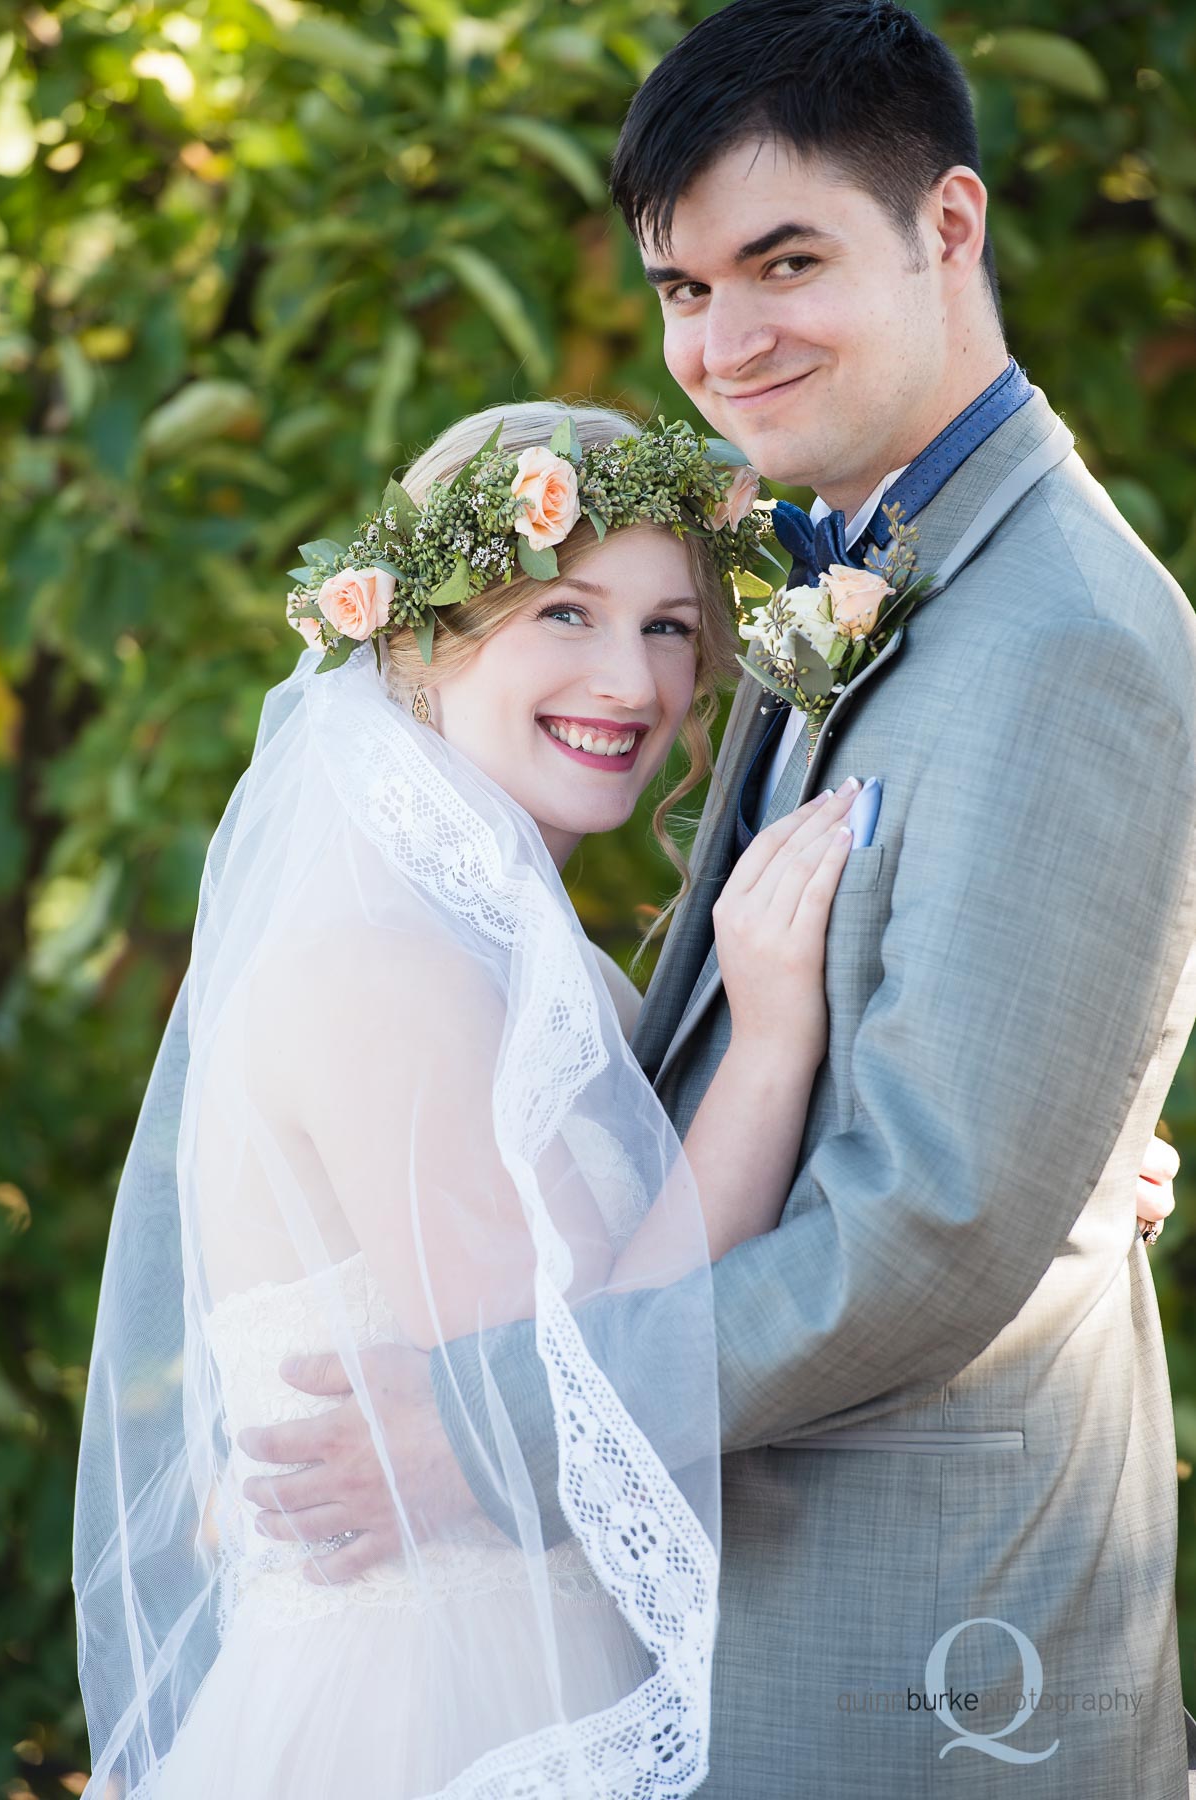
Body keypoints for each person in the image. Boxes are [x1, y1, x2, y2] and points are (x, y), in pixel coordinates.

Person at [240, 4, 1196, 1796]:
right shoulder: (855, 570)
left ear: (950, 229)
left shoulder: (1060, 634)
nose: (725, 338)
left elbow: (927, 1226)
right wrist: (1051, 1174)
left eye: (786, 260)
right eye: (684, 286)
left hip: (912, 1658)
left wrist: (486, 1426)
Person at [73, 399, 889, 1799]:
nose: (629, 683)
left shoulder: (532, 964)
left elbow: (704, 1237)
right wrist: (765, 1045)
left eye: (667, 627)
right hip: (426, 1723)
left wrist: (1047, 1177)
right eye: (563, 615)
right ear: (415, 643)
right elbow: (577, 1411)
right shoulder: (379, 968)